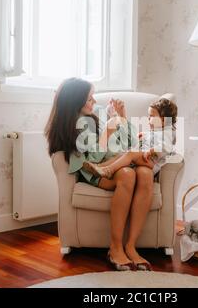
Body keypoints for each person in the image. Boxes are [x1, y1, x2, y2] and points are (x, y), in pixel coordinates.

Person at [45, 78, 155, 271]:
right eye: (89, 98)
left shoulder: (94, 117)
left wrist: (122, 117)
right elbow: (94, 159)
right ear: (74, 101)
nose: (94, 102)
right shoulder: (72, 129)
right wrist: (108, 130)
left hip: (114, 162)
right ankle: (115, 247)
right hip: (95, 172)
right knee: (128, 174)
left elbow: (127, 142)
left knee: (145, 173)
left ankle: (130, 246)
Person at [83, 98, 178, 179]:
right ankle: (99, 167)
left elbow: (166, 147)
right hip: (147, 158)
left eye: (151, 116)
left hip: (152, 162)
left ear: (163, 119)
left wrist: (151, 151)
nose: (148, 119)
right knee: (123, 154)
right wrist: (144, 135)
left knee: (130, 153)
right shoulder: (159, 130)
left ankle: (109, 170)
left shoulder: (168, 133)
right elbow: (154, 138)